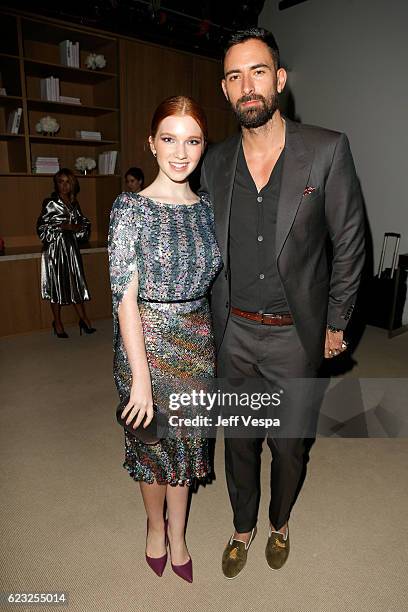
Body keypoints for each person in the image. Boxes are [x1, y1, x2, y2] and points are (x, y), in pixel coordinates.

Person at [200, 27, 365, 578]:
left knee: (290, 447)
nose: (247, 86)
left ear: (281, 79)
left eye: (258, 71)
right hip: (235, 335)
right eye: (234, 76)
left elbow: (350, 241)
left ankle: (279, 521)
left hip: (296, 336)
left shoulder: (325, 149)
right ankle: (242, 527)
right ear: (225, 90)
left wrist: (337, 321)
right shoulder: (215, 162)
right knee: (239, 444)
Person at [108, 96, 222, 583]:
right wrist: (140, 380)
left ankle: (179, 534)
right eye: (169, 139)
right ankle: (155, 528)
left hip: (197, 345)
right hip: (145, 347)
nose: (181, 152)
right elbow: (125, 299)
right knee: (153, 449)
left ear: (202, 147)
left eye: (192, 140)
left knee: (186, 450)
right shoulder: (129, 209)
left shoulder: (208, 209)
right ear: (151, 144)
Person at [37, 168, 96, 338]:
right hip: (54, 250)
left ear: (72, 184)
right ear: (56, 184)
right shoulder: (50, 203)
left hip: (70, 249)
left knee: (76, 283)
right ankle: (58, 322)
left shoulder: (74, 203)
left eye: (67, 182)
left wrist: (76, 227)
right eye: (60, 182)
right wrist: (62, 227)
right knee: (57, 286)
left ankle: (83, 318)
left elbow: (82, 226)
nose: (64, 185)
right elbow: (42, 228)